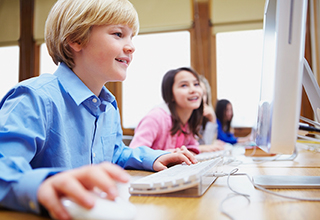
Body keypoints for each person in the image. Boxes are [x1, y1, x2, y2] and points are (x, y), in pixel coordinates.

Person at [0, 1, 197, 219]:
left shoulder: (108, 106)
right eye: (118, 34)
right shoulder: (34, 97)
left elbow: (114, 154)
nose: (131, 46)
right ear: (76, 38)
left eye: (132, 37)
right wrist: (42, 185)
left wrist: (153, 158)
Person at [129, 67, 224, 154]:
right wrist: (172, 154)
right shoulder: (156, 118)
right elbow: (134, 154)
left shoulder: (188, 122)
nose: (193, 90)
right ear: (170, 94)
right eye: (184, 85)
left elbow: (191, 147)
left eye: (196, 84)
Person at [198, 75, 225, 148]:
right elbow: (206, 145)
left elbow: (207, 144)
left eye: (203, 94)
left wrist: (212, 119)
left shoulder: (205, 117)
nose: (199, 98)